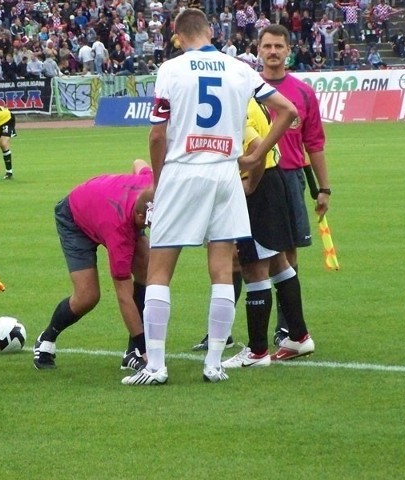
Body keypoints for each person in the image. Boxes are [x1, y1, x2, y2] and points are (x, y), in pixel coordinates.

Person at [121, 9, 297, 386]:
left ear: (176, 34)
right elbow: (287, 110)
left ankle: (156, 365)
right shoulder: (240, 69)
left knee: (159, 271)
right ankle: (214, 364)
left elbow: (157, 135)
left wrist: (161, 180)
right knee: (221, 269)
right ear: (211, 31)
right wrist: (256, 154)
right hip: (225, 174)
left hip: (184, 172)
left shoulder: (171, 69)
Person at [32, 160, 154, 373]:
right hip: (74, 217)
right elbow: (123, 295)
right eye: (149, 224)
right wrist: (146, 350)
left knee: (147, 266)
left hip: (104, 204)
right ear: (140, 216)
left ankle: (132, 352)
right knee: (88, 296)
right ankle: (46, 339)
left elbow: (138, 162)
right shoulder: (119, 233)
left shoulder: (151, 183)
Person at [221, 98, 314, 368]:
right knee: (278, 263)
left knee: (253, 269)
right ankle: (298, 336)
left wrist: (250, 186)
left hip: (258, 185)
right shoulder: (250, 99)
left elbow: (255, 148)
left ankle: (257, 351)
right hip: (275, 180)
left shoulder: (236, 105)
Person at [257, 25, 330, 352]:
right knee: (237, 253)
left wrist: (323, 188)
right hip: (253, 179)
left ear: (289, 50)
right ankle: (223, 332)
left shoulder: (301, 92)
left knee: (287, 250)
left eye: (278, 46)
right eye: (267, 46)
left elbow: (314, 142)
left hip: (288, 177)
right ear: (258, 50)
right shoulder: (246, 88)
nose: (273, 51)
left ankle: (287, 325)